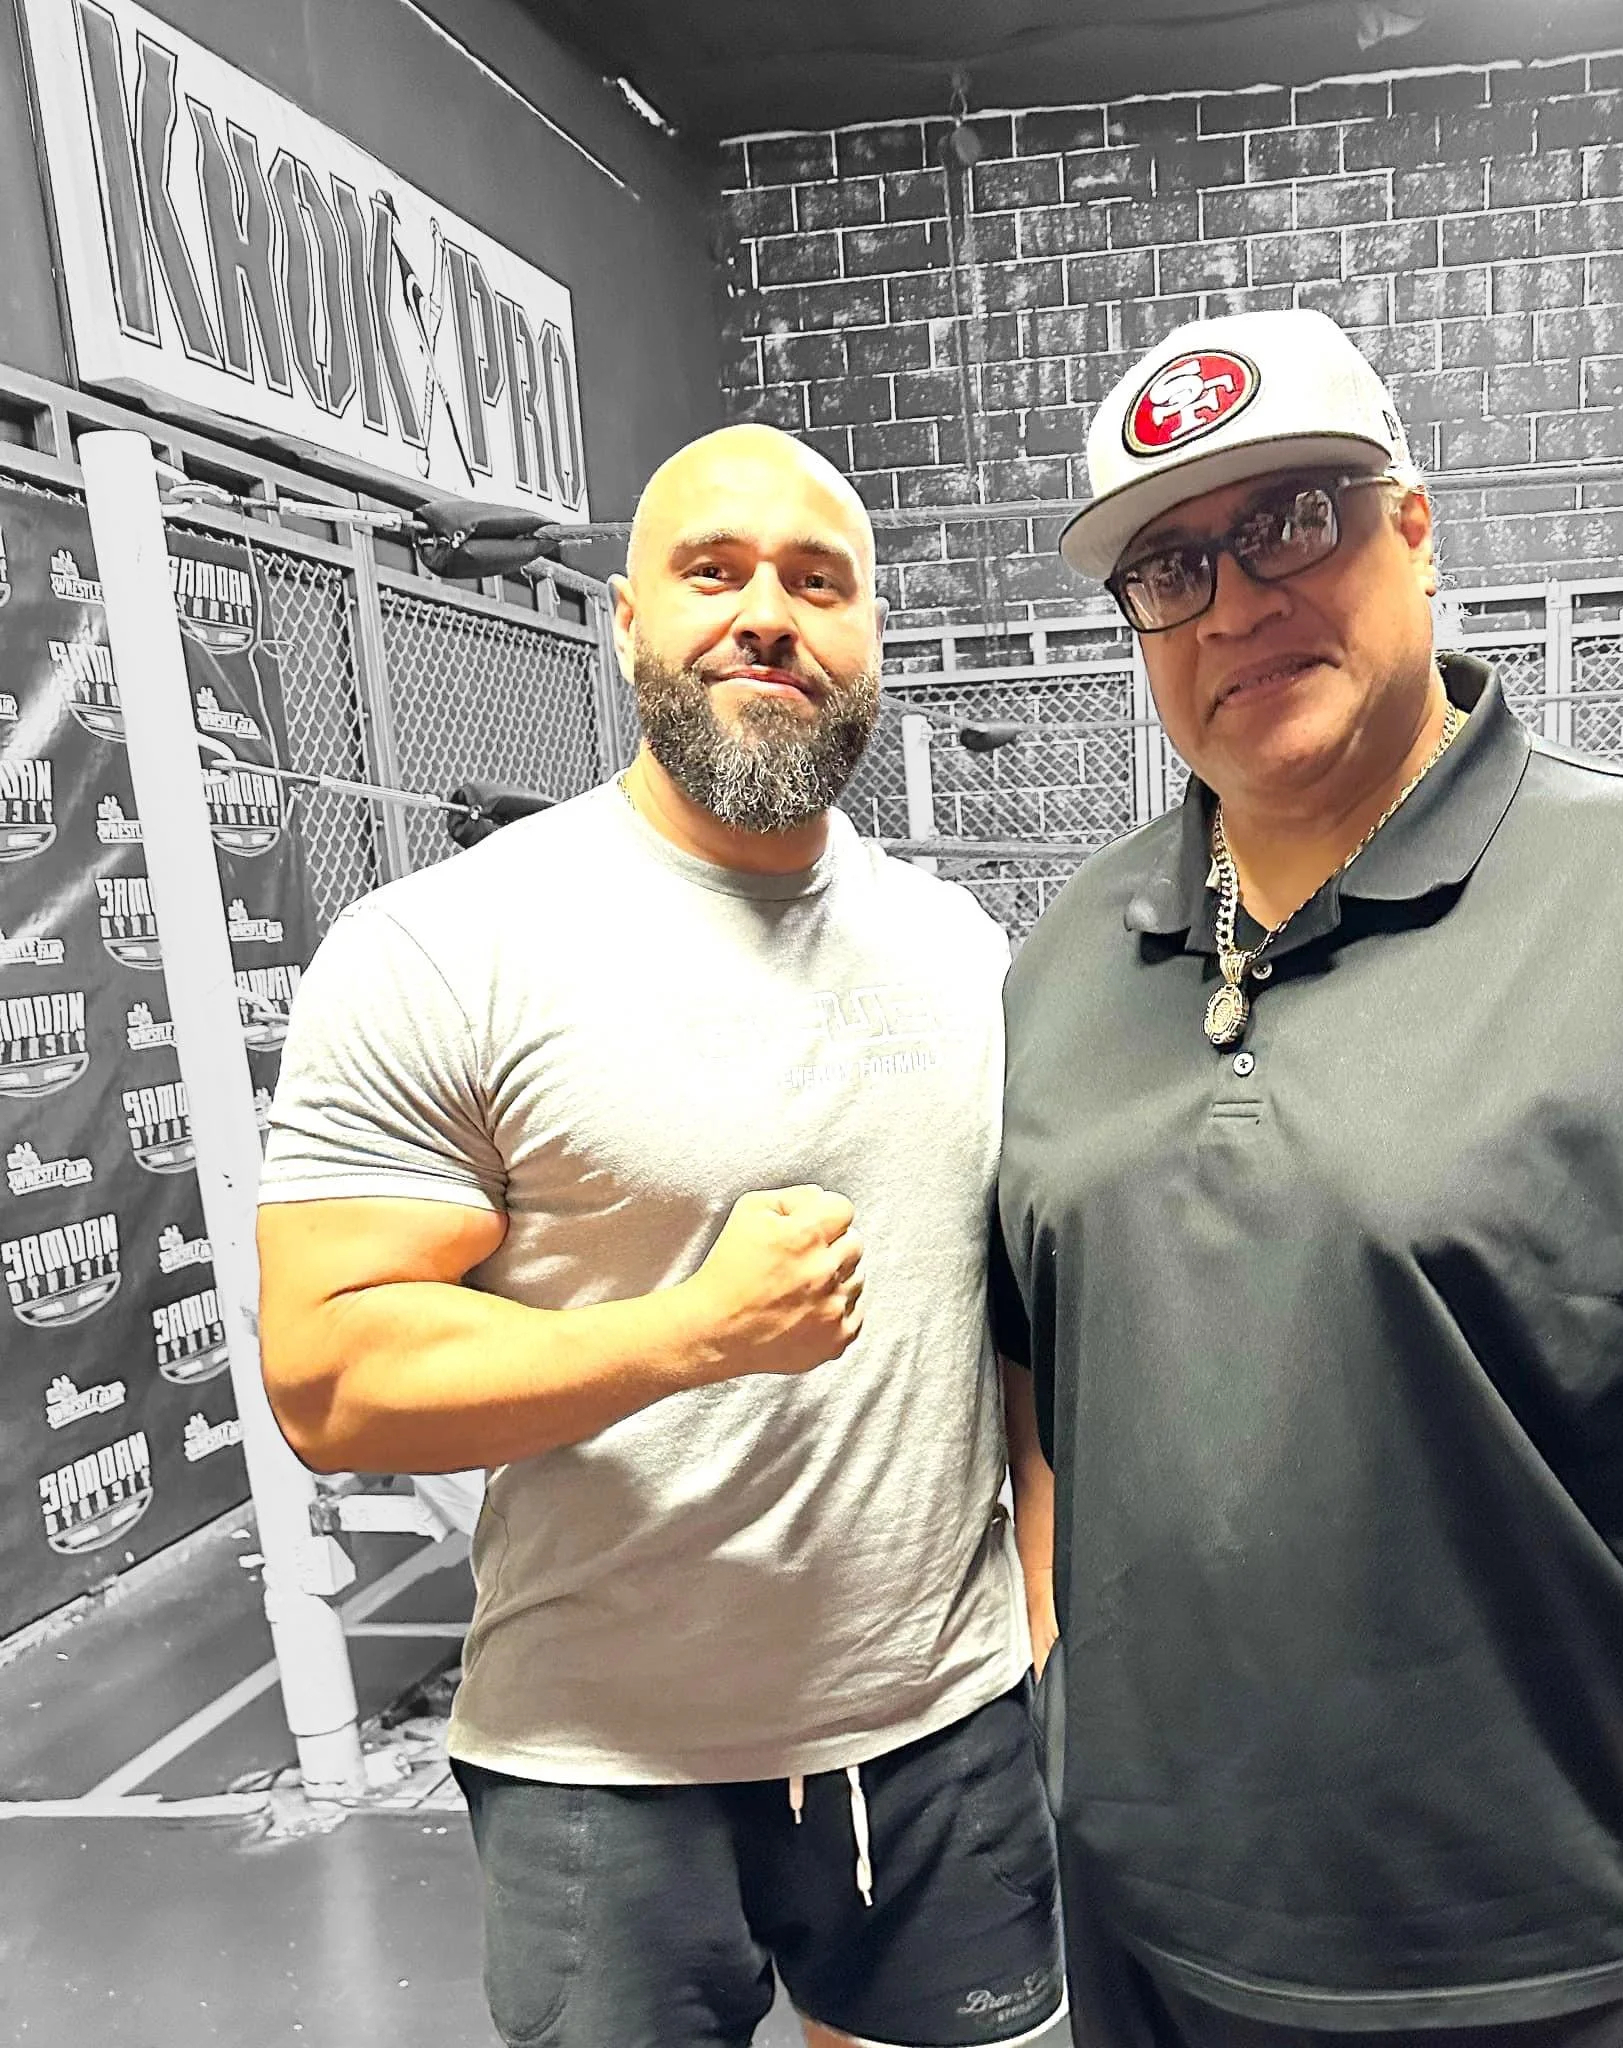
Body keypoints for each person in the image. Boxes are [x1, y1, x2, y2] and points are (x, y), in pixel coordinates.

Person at [994, 308, 1623, 2048]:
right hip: (1154, 1930)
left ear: (1416, 529)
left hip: (1578, 1943)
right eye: (1169, 567)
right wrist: (1062, 1697)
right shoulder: (1068, 959)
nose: (1234, 604)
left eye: (1289, 521)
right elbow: (1046, 1377)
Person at [258, 423, 1063, 2048]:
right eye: (714, 571)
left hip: (941, 1733)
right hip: (600, 1763)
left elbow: (1025, 1333)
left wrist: (1043, 1639)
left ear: (870, 637)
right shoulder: (445, 948)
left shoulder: (961, 950)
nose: (767, 613)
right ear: (627, 622)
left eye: (817, 582)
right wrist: (688, 1336)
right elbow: (329, 1377)